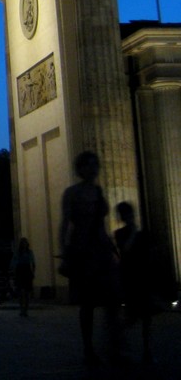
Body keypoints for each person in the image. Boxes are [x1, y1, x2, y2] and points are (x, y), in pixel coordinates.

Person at [59, 151, 121, 367]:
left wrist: (113, 249)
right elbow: (65, 223)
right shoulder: (72, 193)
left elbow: (101, 224)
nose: (94, 168)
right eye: (89, 165)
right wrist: (64, 252)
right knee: (88, 304)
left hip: (101, 248)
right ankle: (89, 347)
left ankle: (113, 344)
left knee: (113, 297)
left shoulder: (98, 190)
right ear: (81, 168)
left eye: (96, 164)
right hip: (83, 251)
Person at [114, 201, 157, 365]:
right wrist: (133, 232)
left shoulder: (142, 233)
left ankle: (147, 350)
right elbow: (124, 250)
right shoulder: (120, 233)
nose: (129, 217)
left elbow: (150, 253)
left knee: (146, 318)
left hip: (143, 278)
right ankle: (118, 341)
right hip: (130, 279)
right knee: (132, 317)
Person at [9, 237, 36, 317]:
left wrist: (33, 272)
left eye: (25, 242)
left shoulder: (29, 252)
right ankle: (22, 309)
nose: (24, 244)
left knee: (27, 293)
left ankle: (25, 310)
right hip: (20, 271)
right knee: (21, 292)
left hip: (26, 271)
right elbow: (13, 262)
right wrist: (13, 271)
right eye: (23, 243)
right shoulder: (18, 253)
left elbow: (33, 263)